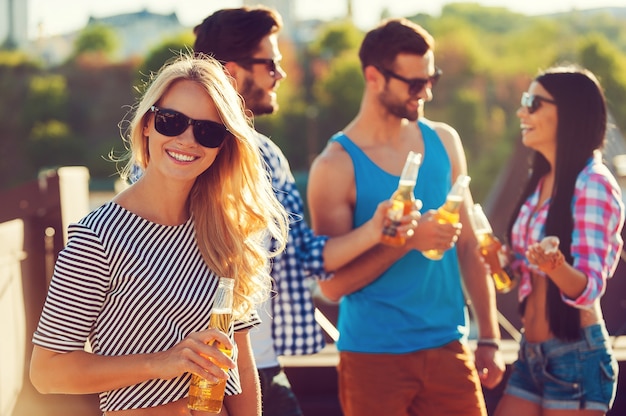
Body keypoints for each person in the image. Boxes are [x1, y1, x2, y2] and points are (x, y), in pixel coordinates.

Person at [29, 54, 291, 415]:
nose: (187, 140)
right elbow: (47, 372)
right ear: (148, 124)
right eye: (172, 121)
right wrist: (162, 362)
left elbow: (241, 363)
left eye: (208, 131)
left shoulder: (223, 232)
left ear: (222, 145)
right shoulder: (98, 236)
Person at [192, 6, 418, 416]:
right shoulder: (175, 152)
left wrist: (377, 229)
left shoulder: (268, 158)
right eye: (270, 64)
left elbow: (306, 257)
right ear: (231, 72)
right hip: (194, 377)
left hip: (260, 368)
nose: (279, 74)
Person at [307, 18, 505, 416]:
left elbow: (467, 245)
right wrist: (406, 243)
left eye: (431, 79)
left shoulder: (445, 140)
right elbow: (332, 284)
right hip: (372, 355)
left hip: (449, 345)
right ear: (374, 77)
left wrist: (490, 337)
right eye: (415, 84)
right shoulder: (335, 166)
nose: (426, 92)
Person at [494, 65, 624, 415]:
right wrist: (501, 262)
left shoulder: (593, 183)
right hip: (531, 353)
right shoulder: (542, 179)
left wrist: (556, 266)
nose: (522, 111)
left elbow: (590, 287)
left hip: (576, 357)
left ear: (568, 113)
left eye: (533, 103)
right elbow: (525, 270)